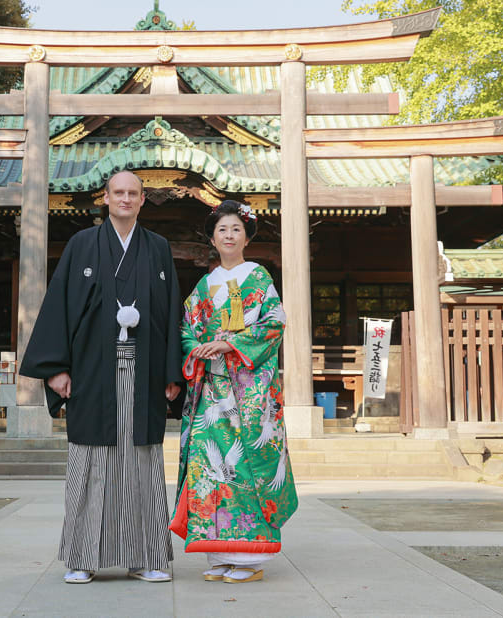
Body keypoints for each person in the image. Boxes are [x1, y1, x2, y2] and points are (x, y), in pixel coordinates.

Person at [19, 170, 184, 584]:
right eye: (119, 193)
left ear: (143, 200)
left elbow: (170, 311)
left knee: (141, 464)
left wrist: (171, 372)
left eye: (134, 194)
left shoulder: (158, 249)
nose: (126, 199)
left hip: (144, 371)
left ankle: (145, 557)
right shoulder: (82, 245)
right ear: (105, 198)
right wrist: (56, 369)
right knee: (91, 462)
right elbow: (58, 305)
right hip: (93, 371)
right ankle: (82, 556)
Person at [169, 200, 298, 584]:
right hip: (211, 390)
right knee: (208, 466)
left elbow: (275, 322)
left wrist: (229, 345)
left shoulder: (257, 277)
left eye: (236, 230)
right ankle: (219, 553)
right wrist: (198, 348)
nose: (229, 235)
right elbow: (186, 327)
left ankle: (248, 556)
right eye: (222, 229)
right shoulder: (204, 284)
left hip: (249, 391)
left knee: (245, 466)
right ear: (212, 236)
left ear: (247, 236)